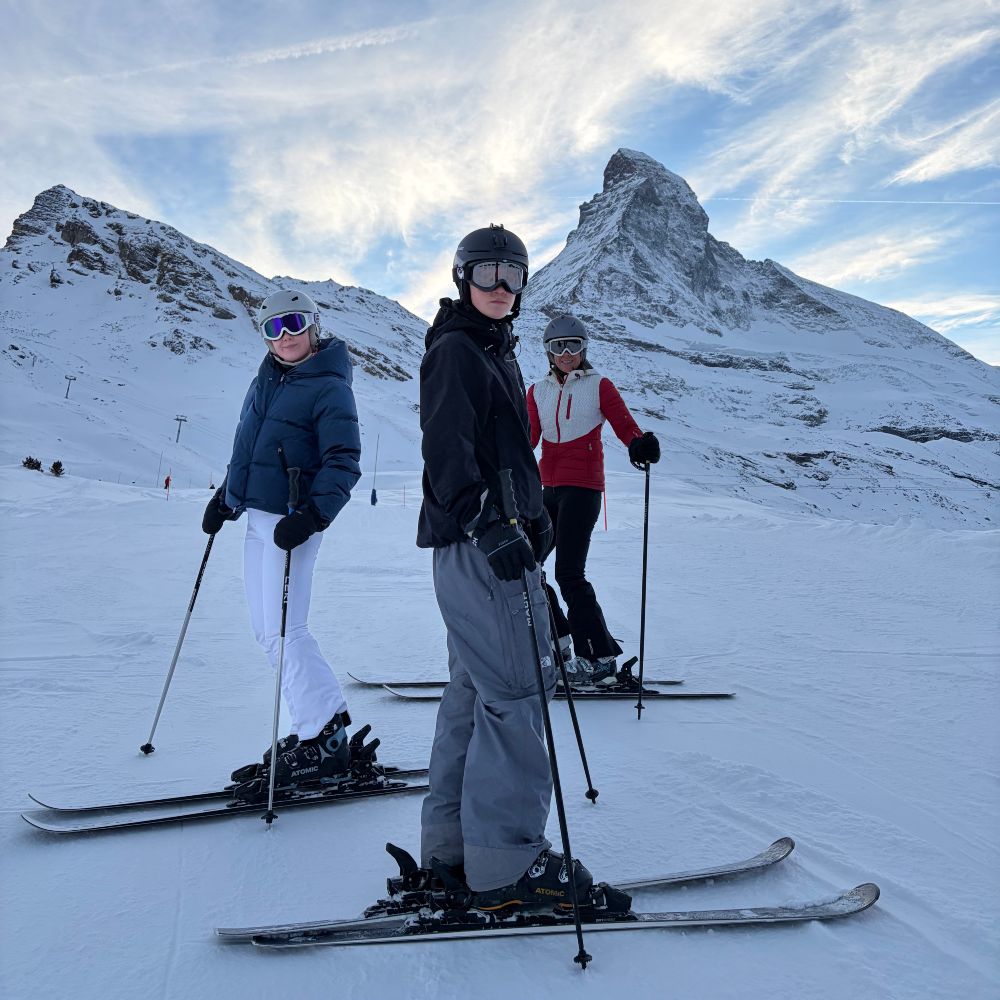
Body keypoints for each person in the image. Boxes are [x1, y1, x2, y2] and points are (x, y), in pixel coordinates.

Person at [416, 224, 592, 911]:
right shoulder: (459, 350)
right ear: (464, 277)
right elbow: (447, 452)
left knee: (474, 693)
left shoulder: (496, 351)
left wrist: (537, 518)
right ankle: (506, 867)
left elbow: (506, 452)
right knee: (517, 693)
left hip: (494, 541)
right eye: (487, 273)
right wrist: (487, 521)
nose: (500, 288)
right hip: (479, 544)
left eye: (513, 276)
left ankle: (454, 852)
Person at [201, 289, 361, 787]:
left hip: (294, 519)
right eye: (273, 328)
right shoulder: (266, 380)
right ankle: (317, 724)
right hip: (258, 517)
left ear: (314, 326)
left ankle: (324, 733)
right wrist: (228, 496)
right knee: (266, 632)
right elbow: (248, 446)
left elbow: (344, 460)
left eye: (293, 324)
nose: (285, 336)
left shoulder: (329, 385)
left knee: (286, 631)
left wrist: (314, 514)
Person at [526, 314, 660, 687]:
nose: (566, 354)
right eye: (557, 347)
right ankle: (561, 642)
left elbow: (623, 424)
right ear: (548, 353)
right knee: (528, 566)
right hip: (546, 487)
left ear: (584, 348)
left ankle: (599, 657)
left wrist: (639, 444)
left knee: (569, 572)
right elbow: (528, 438)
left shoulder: (599, 385)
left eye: (573, 346)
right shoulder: (537, 391)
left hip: (583, 488)